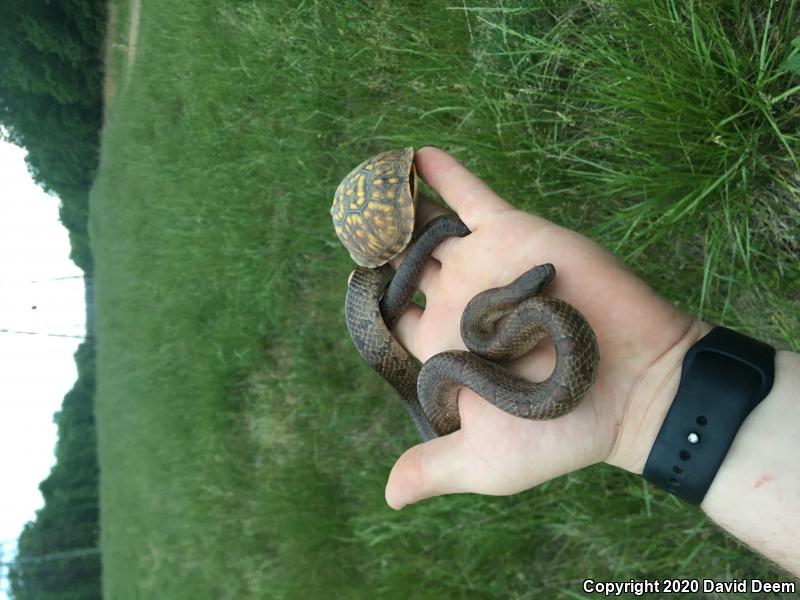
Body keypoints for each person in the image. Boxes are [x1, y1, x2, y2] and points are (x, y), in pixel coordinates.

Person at [379, 146, 800, 576]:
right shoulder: (490, 326)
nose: (548, 281)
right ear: (518, 295)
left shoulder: (499, 323)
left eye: (541, 283)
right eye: (541, 283)